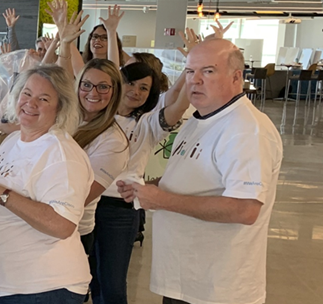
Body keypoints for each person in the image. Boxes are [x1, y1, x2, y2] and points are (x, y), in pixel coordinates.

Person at [118, 39, 282, 304]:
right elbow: (196, 180)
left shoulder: (246, 129)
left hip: (217, 289)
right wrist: (152, 188)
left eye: (208, 71)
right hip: (185, 281)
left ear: (236, 76)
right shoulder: (200, 120)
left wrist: (161, 200)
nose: (195, 80)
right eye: (190, 71)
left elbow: (245, 209)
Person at [0, 65, 92, 303]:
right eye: (26, 93)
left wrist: (4, 195)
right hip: (4, 287)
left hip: (41, 290)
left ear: (60, 107)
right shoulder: (14, 140)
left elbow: (62, 224)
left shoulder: (61, 154)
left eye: (43, 99)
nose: (31, 103)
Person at [90, 60, 188, 304]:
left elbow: (177, 104)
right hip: (85, 204)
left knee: (112, 283)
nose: (135, 91)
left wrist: (192, 70)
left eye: (144, 88)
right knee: (90, 280)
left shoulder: (147, 123)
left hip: (120, 209)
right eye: (130, 83)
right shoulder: (94, 116)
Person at [69, 60, 129, 260]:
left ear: (115, 91)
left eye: (103, 87)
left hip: (72, 233)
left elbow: (79, 198)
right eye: (86, 85)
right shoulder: (65, 120)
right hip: (38, 224)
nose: (93, 93)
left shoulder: (114, 142)